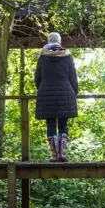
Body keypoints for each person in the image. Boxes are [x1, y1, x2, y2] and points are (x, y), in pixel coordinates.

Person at [35, 32, 78, 162]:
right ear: (59, 42)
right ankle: (62, 154)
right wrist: (74, 93)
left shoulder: (42, 57)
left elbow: (37, 78)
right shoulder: (67, 56)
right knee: (63, 123)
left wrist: (43, 90)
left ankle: (54, 156)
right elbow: (73, 77)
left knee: (51, 123)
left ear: (48, 41)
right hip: (65, 93)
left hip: (46, 94)